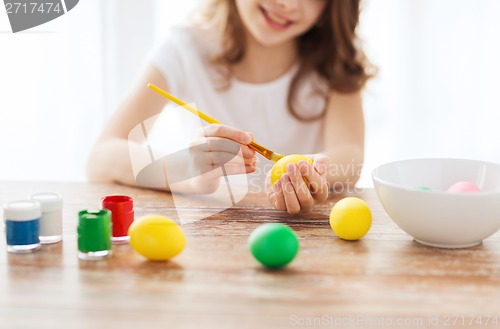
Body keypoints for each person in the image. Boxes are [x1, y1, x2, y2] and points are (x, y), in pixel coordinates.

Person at [87, 0, 374, 214]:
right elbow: (101, 158)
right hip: (211, 234)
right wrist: (188, 171)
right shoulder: (185, 48)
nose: (287, 4)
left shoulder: (337, 58)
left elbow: (350, 156)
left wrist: (313, 171)